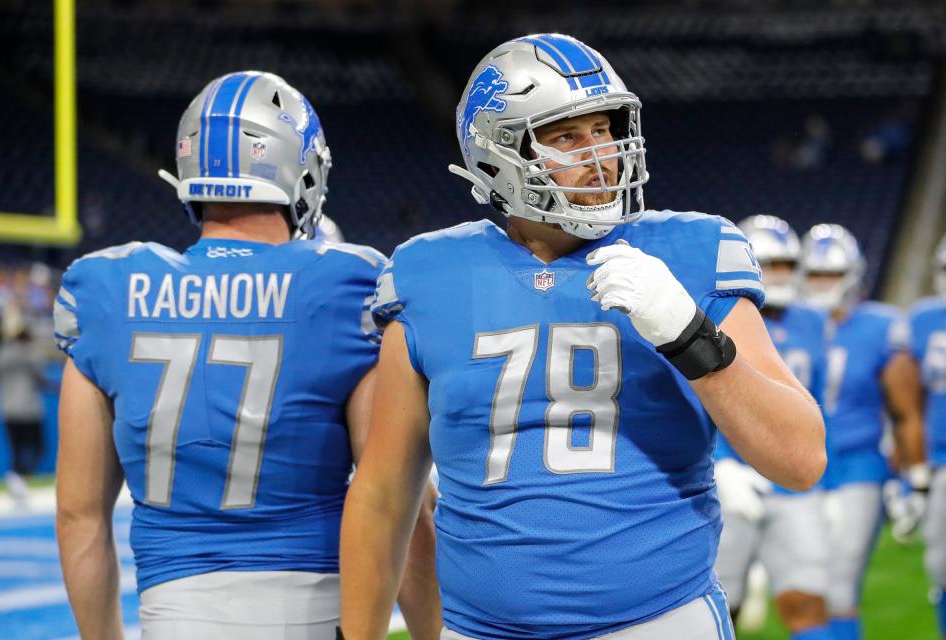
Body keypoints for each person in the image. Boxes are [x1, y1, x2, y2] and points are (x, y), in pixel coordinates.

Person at [340, 34, 826, 640]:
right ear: (496, 157)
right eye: (567, 136)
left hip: (658, 621)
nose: (602, 154)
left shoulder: (694, 249)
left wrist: (689, 336)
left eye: (605, 128)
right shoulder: (428, 273)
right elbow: (385, 493)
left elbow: (801, 459)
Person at [53, 71, 440, 639]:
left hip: (173, 615)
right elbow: (399, 504)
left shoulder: (105, 290)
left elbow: (78, 517)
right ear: (299, 171)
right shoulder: (345, 285)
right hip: (312, 610)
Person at [798, 223, 924, 640]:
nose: (821, 284)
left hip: (858, 463)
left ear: (852, 275)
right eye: (814, 273)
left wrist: (910, 477)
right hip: (800, 465)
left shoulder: (881, 326)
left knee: (838, 585)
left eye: (830, 274)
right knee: (802, 585)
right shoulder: (786, 324)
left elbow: (905, 409)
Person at [712, 215, 833, 640]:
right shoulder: (719, 310)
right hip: (730, 480)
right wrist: (720, 465)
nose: (779, 274)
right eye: (769, 264)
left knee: (809, 596)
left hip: (790, 483)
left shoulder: (814, 321)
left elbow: (815, 408)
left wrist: (824, 475)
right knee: (723, 601)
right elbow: (701, 396)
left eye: (786, 265)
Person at [904, 234, 946, 640]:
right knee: (942, 565)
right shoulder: (922, 319)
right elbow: (907, 401)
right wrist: (913, 476)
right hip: (942, 461)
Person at [0, 308, 47, 508]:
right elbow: (40, 378)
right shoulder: (30, 353)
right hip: (29, 408)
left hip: (7, 408)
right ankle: (19, 478)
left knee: (17, 449)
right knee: (38, 447)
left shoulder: (0, 354)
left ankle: (17, 479)